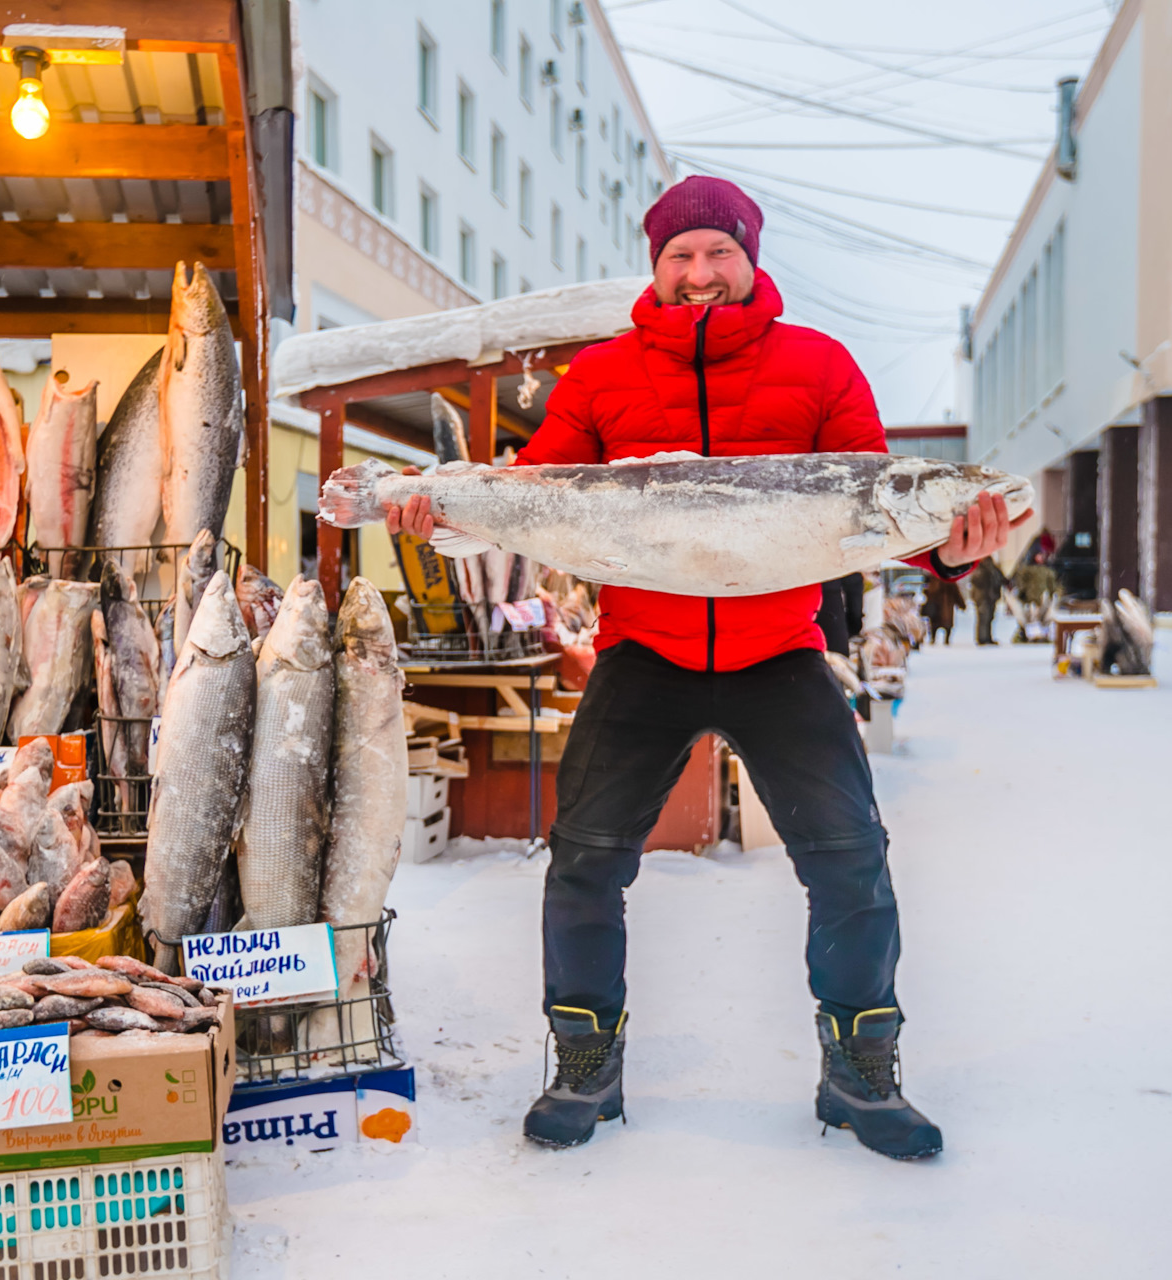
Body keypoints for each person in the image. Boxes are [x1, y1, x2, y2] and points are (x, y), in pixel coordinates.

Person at [385, 175, 1024, 1159]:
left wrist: (954, 543)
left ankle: (861, 1071)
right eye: (679, 255)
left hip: (780, 650)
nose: (699, 272)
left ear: (750, 258)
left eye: (717, 252)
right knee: (586, 856)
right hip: (647, 649)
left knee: (852, 858)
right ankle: (585, 1061)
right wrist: (449, 502)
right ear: (657, 266)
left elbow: (872, 501)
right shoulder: (599, 377)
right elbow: (536, 490)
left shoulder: (819, 365)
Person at [969, 554, 1006, 645]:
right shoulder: (979, 567)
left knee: (989, 617)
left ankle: (987, 637)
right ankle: (982, 638)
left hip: (991, 595)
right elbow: (976, 581)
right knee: (983, 617)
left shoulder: (993, 567)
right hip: (982, 596)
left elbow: (1001, 578)